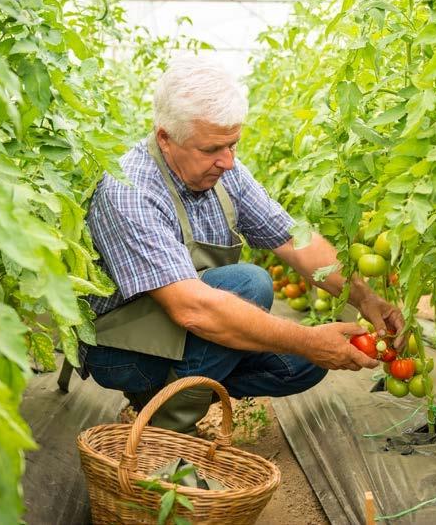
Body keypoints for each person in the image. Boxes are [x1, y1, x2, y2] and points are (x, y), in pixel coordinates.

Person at [79, 56, 404, 435]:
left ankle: (177, 387)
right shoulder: (130, 190)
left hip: (186, 331)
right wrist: (306, 339)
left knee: (303, 363)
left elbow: (292, 239)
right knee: (250, 285)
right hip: (123, 348)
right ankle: (166, 432)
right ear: (165, 138)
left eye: (233, 145)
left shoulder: (223, 169)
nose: (229, 161)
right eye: (212, 149)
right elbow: (193, 310)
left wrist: (365, 299)